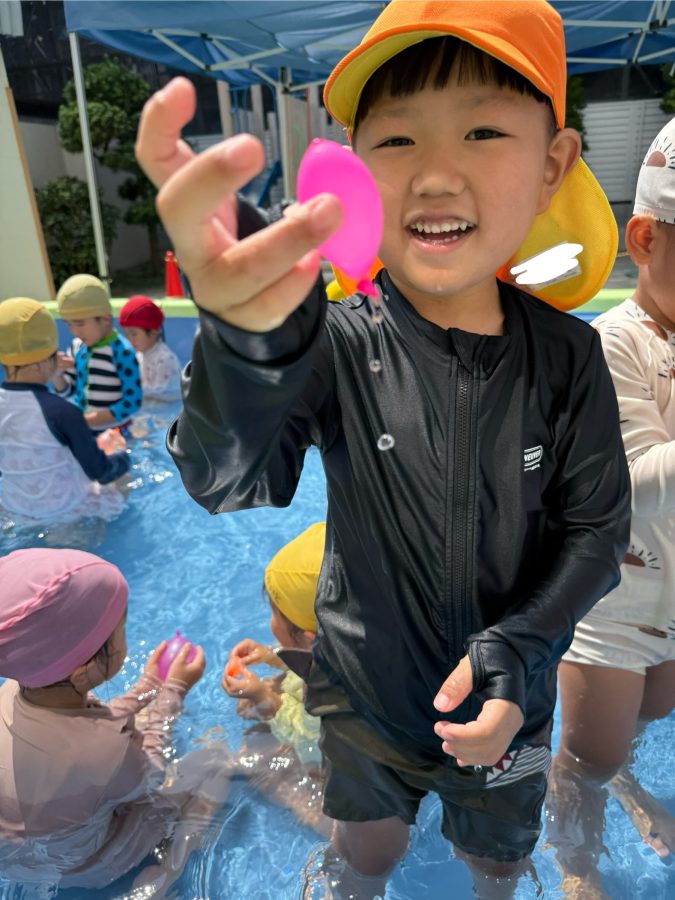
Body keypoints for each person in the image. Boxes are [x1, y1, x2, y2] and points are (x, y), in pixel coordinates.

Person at [135, 1, 631, 896]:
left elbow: (596, 531)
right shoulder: (332, 343)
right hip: (361, 698)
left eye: (482, 131)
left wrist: (520, 647)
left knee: (497, 859)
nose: (435, 175)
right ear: (356, 172)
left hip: (510, 698)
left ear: (552, 165)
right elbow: (225, 484)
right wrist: (247, 349)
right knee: (366, 852)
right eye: (396, 141)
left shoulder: (567, 356)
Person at [547, 117, 675, 899]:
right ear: (645, 238)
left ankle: (624, 781)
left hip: (672, 596)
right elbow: (632, 482)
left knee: (647, 715)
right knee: (586, 755)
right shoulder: (610, 346)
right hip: (612, 603)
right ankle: (576, 865)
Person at [0, 547, 232, 893]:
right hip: (91, 864)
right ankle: (167, 873)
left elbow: (81, 725)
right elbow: (151, 773)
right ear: (84, 668)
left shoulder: (11, 690)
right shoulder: (102, 750)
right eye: (119, 629)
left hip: (24, 863)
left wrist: (144, 689)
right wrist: (172, 694)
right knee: (215, 762)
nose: (124, 636)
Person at [221, 521, 331, 839]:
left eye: (275, 614)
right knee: (268, 695)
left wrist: (263, 699)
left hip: (328, 765)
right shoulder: (358, 649)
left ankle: (316, 816)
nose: (270, 621)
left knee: (253, 756)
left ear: (309, 638)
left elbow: (309, 744)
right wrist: (272, 656)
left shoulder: (324, 689)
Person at [0, 297, 129, 521]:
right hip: (66, 512)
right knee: (123, 479)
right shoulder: (62, 412)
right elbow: (99, 471)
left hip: (16, 510)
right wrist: (121, 456)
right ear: (43, 361)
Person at [51, 274, 142, 432]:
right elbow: (68, 391)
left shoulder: (122, 352)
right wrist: (56, 374)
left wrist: (89, 420)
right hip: (86, 427)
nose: (74, 332)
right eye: (69, 324)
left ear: (105, 319)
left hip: (116, 430)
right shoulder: (77, 347)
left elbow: (132, 401)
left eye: (80, 324)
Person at [119, 294, 181, 401]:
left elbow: (167, 396)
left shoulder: (164, 359)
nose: (129, 339)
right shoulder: (140, 355)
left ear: (153, 332)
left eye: (134, 334)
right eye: (127, 334)